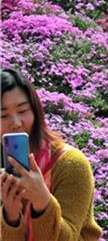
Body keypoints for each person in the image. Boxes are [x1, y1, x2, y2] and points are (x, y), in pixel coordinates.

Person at [0, 68, 101, 241]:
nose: (16, 123)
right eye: (3, 115)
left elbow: (69, 237)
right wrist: (11, 216)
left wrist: (42, 201)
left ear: (36, 111)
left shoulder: (70, 164)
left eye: (23, 111)